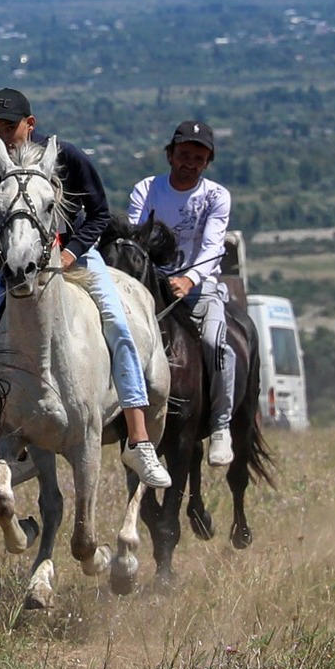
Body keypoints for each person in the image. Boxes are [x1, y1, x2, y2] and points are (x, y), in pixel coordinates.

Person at [0, 89, 171, 490]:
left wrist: (71, 254)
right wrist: (10, 264)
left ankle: (139, 437)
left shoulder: (68, 158)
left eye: (9, 127)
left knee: (117, 325)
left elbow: (98, 214)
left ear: (31, 124)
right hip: (17, 268)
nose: (2, 137)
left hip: (75, 260)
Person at [129, 119, 236, 468]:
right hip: (152, 286)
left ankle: (220, 425)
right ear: (171, 155)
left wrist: (189, 279)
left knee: (216, 344)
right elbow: (136, 236)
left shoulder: (216, 196)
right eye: (185, 155)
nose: (190, 163)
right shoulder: (147, 189)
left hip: (197, 289)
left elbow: (212, 245)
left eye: (199, 158)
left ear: (207, 162)